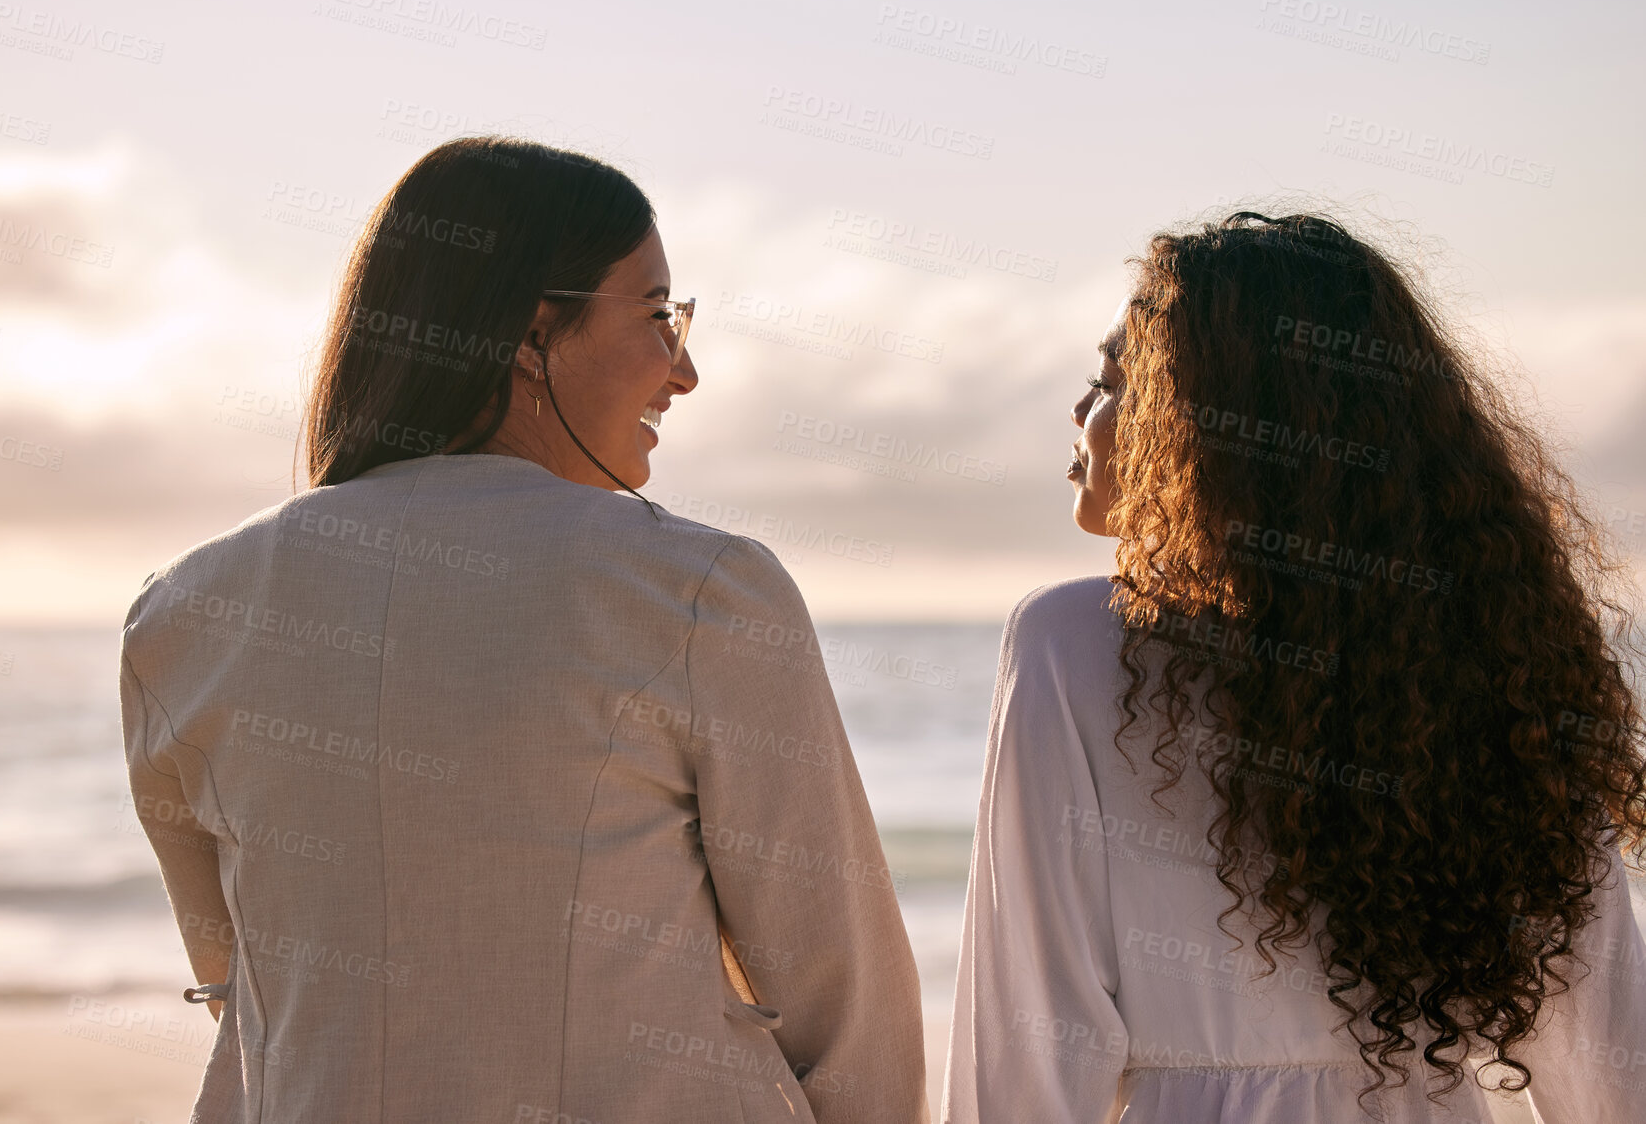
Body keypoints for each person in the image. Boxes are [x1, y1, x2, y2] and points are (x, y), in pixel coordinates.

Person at [120, 136, 929, 1123]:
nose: (686, 370)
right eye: (658, 315)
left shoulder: (184, 615)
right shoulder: (703, 592)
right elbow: (847, 1010)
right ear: (530, 335)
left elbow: (244, 993)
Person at [942, 210, 1646, 1122]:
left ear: (1199, 421)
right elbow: (1611, 1070)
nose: (1080, 412)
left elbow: (1030, 1048)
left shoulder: (1073, 643)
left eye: (1110, 379)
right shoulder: (1498, 667)